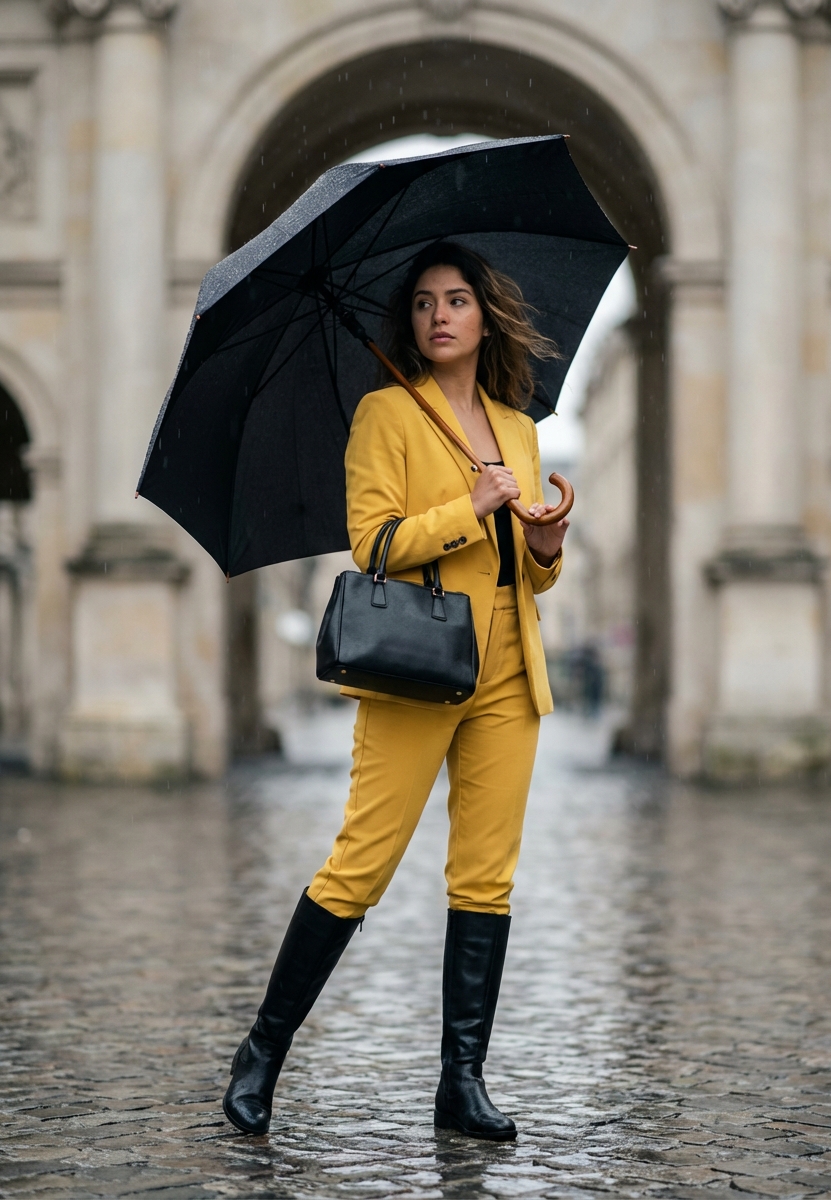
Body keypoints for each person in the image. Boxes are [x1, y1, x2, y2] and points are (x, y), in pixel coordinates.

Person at [224, 242, 569, 1141]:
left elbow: (528, 580)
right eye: (423, 303)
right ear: (410, 323)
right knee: (361, 863)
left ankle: (462, 1082)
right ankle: (262, 1050)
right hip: (417, 664)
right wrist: (474, 507)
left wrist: (543, 545)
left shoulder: (519, 427)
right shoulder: (386, 413)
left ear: (485, 316)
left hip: (508, 671)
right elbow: (372, 545)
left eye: (457, 300)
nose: (439, 316)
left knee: (486, 878)